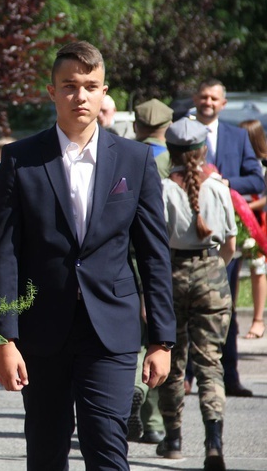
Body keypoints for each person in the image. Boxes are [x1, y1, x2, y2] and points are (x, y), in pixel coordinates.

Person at [0, 41, 175, 471]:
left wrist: (162, 340)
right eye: (69, 86)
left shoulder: (135, 159)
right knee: (46, 452)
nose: (81, 96)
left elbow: (153, 255)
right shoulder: (20, 160)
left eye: (90, 86)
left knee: (107, 449)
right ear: (51, 92)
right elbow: (3, 256)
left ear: (104, 91)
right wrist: (4, 338)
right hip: (40, 332)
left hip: (110, 331)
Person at [156, 118, 236, 471]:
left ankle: (173, 439)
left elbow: (152, 247)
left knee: (173, 362)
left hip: (171, 276)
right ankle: (214, 442)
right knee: (210, 365)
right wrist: (214, 270)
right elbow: (230, 246)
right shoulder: (218, 188)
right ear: (204, 150)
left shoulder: (161, 190)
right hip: (212, 275)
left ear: (170, 152)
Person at [195, 77, 263, 397]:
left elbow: (256, 180)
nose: (207, 102)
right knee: (187, 307)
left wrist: (223, 182)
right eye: (203, 97)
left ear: (223, 104)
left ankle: (230, 376)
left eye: (213, 99)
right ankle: (184, 377)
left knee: (227, 309)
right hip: (188, 236)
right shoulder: (183, 134)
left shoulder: (237, 137)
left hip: (226, 239)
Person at [127, 97, 174, 445]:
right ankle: (155, 422)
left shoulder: (124, 157)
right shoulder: (183, 160)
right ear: (167, 127)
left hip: (125, 262)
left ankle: (127, 395)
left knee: (126, 340)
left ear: (136, 126)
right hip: (169, 263)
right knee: (160, 343)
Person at [239, 119, 267, 339]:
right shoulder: (236, 161)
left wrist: (245, 208)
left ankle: (258, 320)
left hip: (257, 221)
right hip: (236, 217)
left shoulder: (262, 164)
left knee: (258, 269)